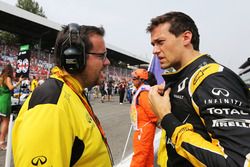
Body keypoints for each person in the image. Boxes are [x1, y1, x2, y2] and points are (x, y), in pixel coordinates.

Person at [147, 11, 250, 167]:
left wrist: (166, 117)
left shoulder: (212, 79)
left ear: (186, 38)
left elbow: (236, 162)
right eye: (153, 45)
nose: (154, 50)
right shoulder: (182, 78)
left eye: (160, 42)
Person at [12, 23, 113, 166]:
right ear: (75, 58)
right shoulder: (50, 107)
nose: (107, 62)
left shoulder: (72, 92)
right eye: (102, 55)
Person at [130, 69, 158, 167]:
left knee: (140, 156)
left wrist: (161, 123)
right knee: (147, 154)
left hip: (144, 129)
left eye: (134, 78)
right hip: (144, 127)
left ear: (141, 80)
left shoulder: (144, 93)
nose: (132, 80)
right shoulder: (141, 91)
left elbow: (152, 113)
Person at [0, 64, 22, 150]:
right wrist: (19, 82)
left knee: (1, 121)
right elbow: (11, 87)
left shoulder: (1, 77)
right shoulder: (7, 78)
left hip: (0, 99)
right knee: (6, 121)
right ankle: (1, 142)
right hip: (5, 101)